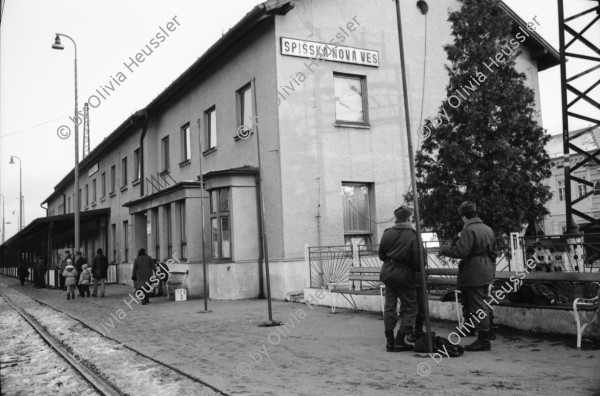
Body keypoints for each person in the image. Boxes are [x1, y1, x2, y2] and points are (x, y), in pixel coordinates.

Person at [440, 201, 497, 352]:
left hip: (473, 271)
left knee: (477, 305)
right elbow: (494, 253)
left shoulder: (468, 230)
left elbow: (460, 252)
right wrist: (491, 271)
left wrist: (444, 249)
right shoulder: (488, 229)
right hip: (485, 270)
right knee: (471, 301)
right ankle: (470, 329)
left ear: (464, 216)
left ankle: (484, 339)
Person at [379, 205, 424, 352]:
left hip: (388, 273)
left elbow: (381, 255)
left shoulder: (387, 233)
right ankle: (400, 339)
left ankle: (389, 341)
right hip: (405, 275)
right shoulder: (413, 235)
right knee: (411, 307)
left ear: (397, 218)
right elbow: (418, 261)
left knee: (389, 307)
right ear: (409, 218)